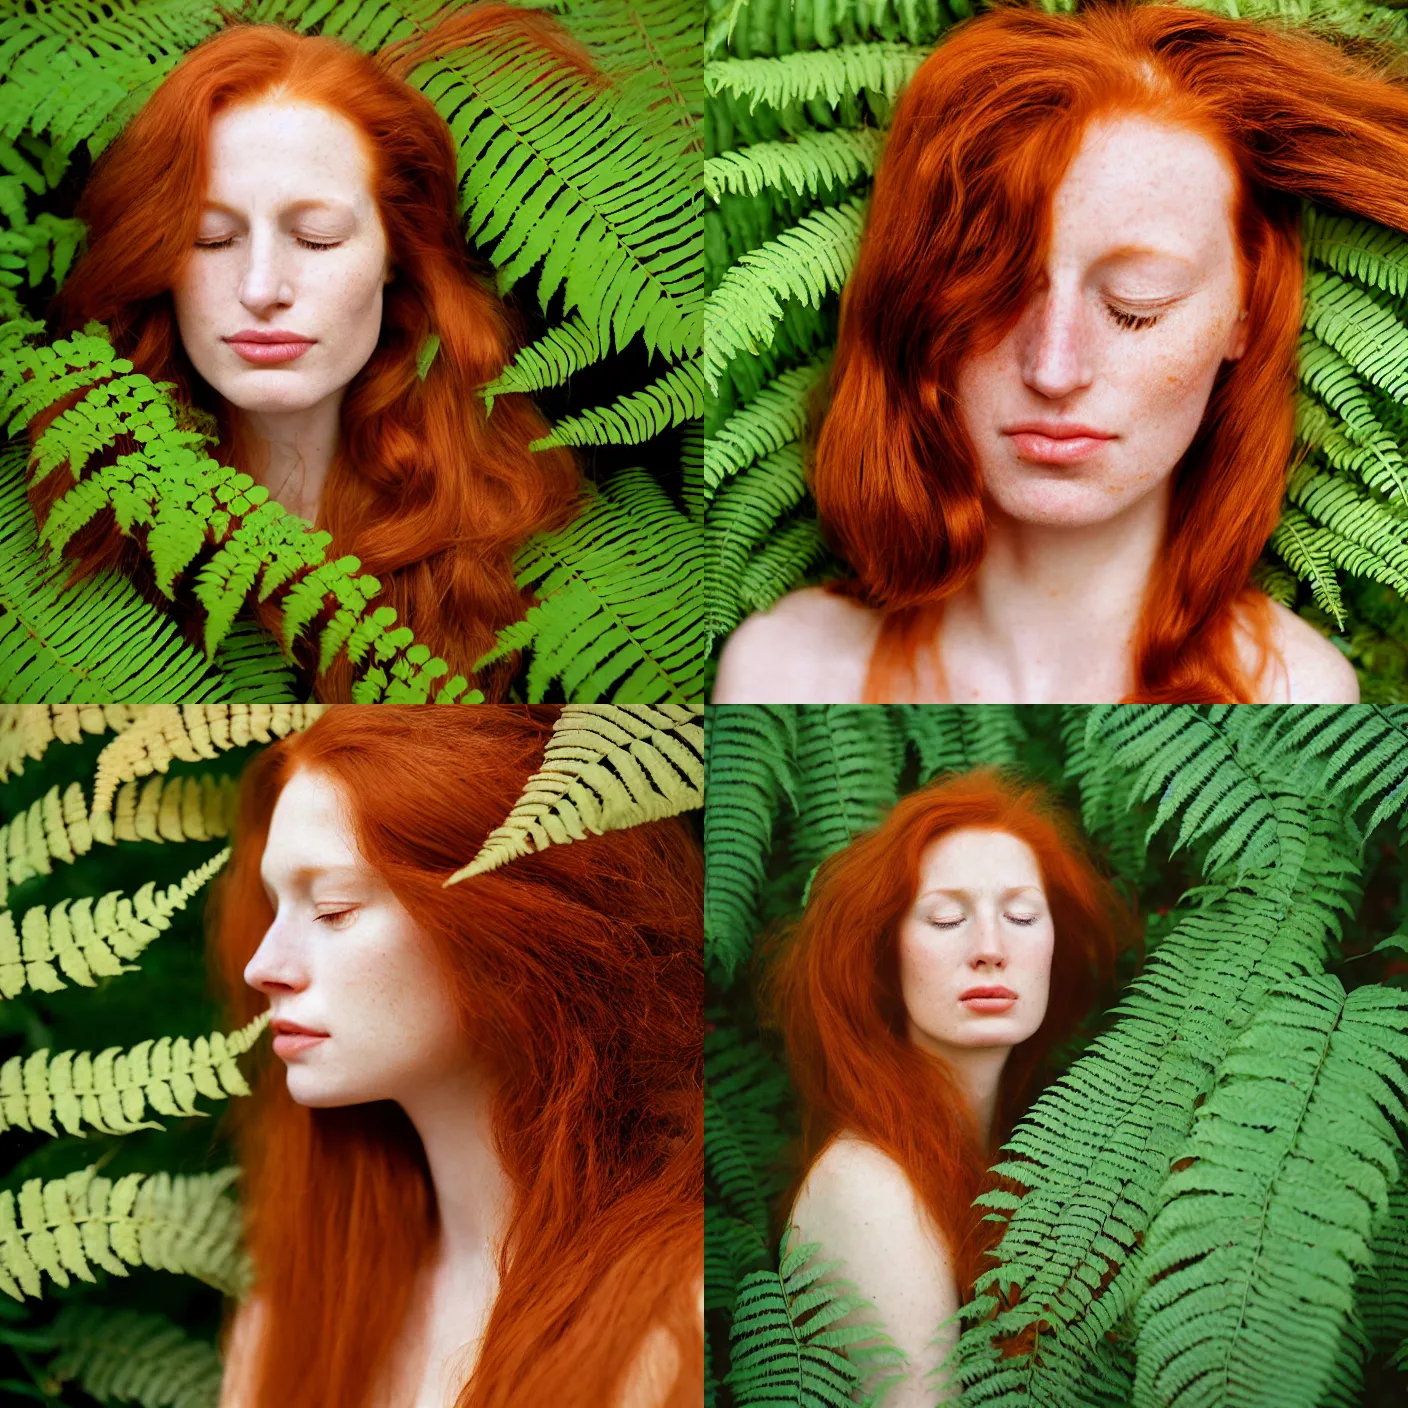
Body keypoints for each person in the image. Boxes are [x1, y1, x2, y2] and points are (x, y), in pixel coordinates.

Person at [712, 2, 1408, 704]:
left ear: (1246, 315)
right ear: (917, 303)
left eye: (1136, 306)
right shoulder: (781, 673)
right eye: (998, 294)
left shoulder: (1298, 695)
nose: (1053, 369)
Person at [24, 7, 586, 700]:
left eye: (317, 238)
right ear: (156, 262)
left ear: (395, 253)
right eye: (211, 239)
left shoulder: (544, 558)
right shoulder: (74, 537)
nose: (262, 289)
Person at [208, 706, 702, 1408]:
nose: (264, 965)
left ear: (514, 920)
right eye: (274, 908)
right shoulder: (294, 1321)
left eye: (334, 908)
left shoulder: (683, 1317)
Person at [762, 769, 1132, 1404]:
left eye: (1020, 914)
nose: (990, 947)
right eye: (943, 919)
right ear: (884, 953)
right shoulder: (870, 1188)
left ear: (1055, 945)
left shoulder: (1026, 1161)